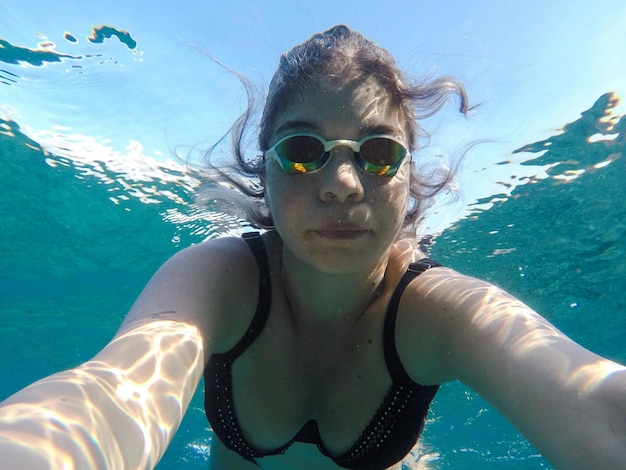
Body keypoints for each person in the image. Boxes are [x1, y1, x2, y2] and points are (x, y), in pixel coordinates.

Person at [0, 24, 624, 470]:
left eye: (378, 154)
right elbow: (113, 389)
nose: (342, 186)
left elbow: (593, 401)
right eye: (302, 152)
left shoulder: (436, 310)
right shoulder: (223, 277)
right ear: (264, 175)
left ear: (409, 181)